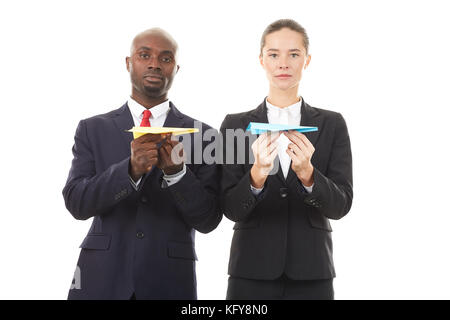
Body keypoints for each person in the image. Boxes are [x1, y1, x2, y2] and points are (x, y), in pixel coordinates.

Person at [63, 28, 222, 299]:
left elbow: (208, 220)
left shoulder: (205, 135)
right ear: (128, 63)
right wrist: (130, 171)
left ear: (176, 68)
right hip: (102, 278)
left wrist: (177, 174)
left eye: (165, 58)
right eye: (144, 55)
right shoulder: (92, 128)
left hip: (169, 281)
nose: (154, 64)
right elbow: (77, 203)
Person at [220, 19, 353, 300]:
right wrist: (256, 175)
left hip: (312, 271)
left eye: (293, 54)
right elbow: (229, 208)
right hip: (250, 271)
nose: (283, 64)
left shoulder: (332, 123)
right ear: (261, 60)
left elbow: (341, 205)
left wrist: (308, 175)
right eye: (274, 55)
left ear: (307, 60)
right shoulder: (234, 125)